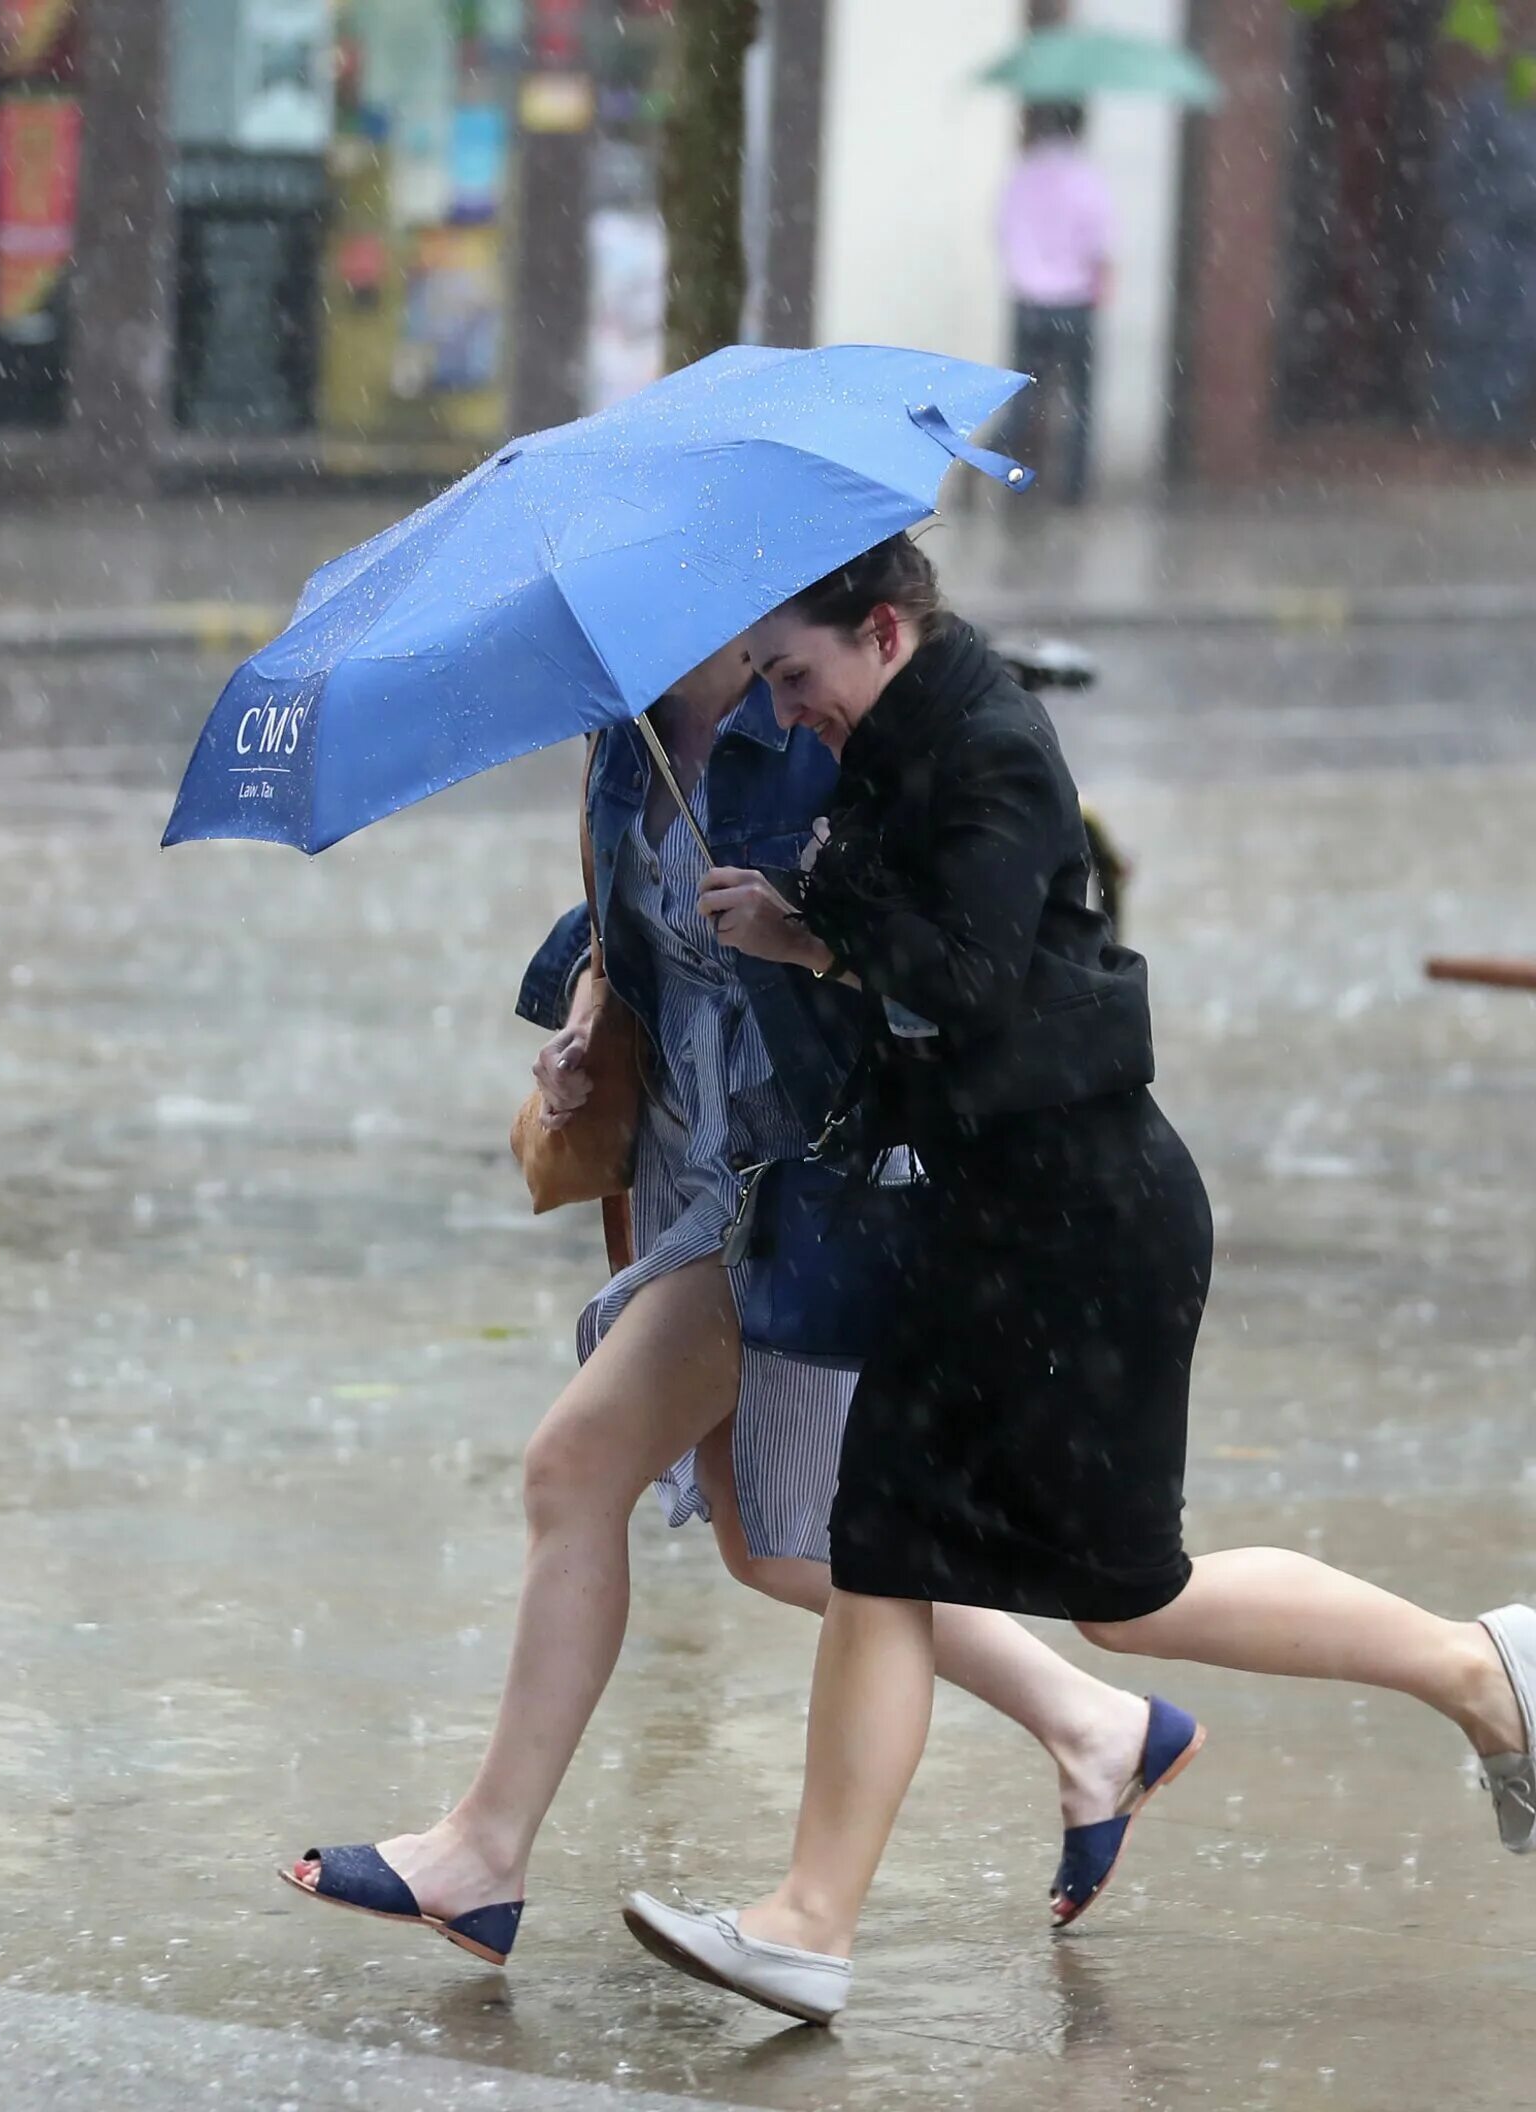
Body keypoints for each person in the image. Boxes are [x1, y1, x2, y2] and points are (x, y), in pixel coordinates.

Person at [625, 533, 1536, 2026]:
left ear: (883, 632)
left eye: (792, 676)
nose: (785, 710)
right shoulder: (891, 747)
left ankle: (1482, 1668)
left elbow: (973, 978)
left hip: (1082, 1225)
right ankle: (808, 1924)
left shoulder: (986, 745)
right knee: (908, 1555)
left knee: (1110, 1590)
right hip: (990, 1217)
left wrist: (812, 934)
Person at [278, 638, 1172, 1965]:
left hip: (795, 1172)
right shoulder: (624, 736)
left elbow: (942, 945)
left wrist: (806, 934)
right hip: (697, 1156)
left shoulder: (817, 732)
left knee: (575, 1466)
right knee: (779, 1546)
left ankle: (483, 1854)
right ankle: (1099, 1725)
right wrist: (587, 1019)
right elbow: (626, 925)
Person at [998, 101, 1114, 506]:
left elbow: (1002, 230)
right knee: (1078, 400)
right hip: (1075, 302)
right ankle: (1072, 490)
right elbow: (1102, 244)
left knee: (1024, 396)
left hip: (1029, 299)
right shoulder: (1088, 180)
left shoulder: (1023, 175)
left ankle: (992, 467)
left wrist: (1029, 271)